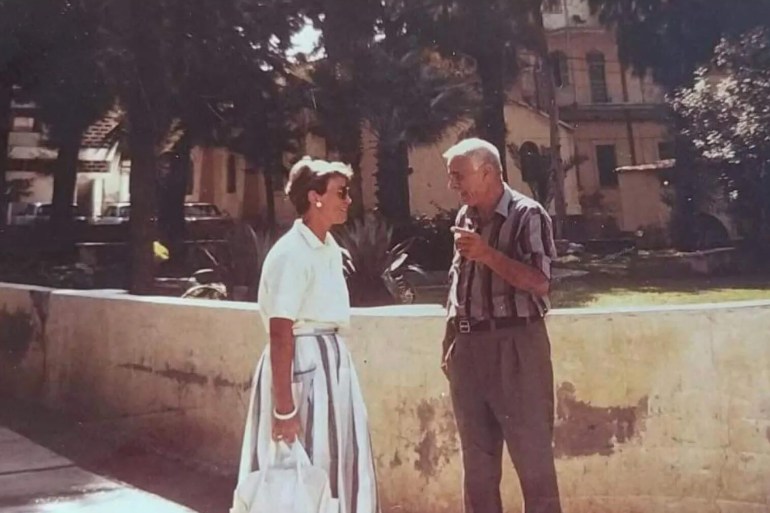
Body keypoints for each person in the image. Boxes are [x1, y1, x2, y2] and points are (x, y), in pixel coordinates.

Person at [236, 157, 379, 513]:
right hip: (304, 365)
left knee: (336, 461)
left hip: (331, 365)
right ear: (315, 197)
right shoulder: (292, 252)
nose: (348, 200)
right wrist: (285, 409)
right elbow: (281, 332)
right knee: (305, 467)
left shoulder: (328, 247)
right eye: (340, 193)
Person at [441, 138, 562, 513]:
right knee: (477, 469)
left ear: (488, 172)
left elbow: (540, 282)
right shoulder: (465, 216)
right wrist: (450, 344)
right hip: (469, 351)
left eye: (459, 176)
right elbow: (459, 284)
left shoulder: (528, 215)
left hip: (517, 347)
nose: (454, 186)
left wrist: (488, 254)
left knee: (533, 460)